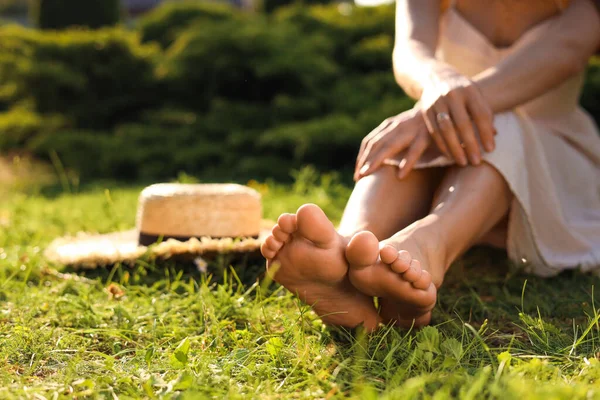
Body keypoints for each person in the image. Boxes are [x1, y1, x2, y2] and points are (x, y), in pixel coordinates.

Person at [261, 0, 600, 331]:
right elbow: (409, 51)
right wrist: (437, 83)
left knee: (490, 125)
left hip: (554, 166)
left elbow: (565, 54)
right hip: (456, 161)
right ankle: (345, 258)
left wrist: (440, 110)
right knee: (408, 142)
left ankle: (427, 245)